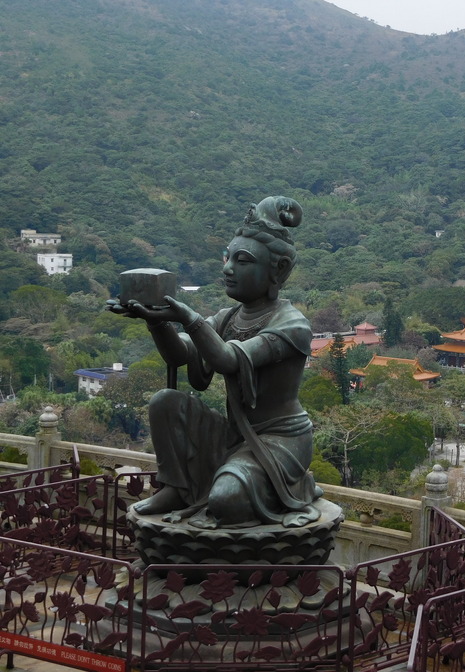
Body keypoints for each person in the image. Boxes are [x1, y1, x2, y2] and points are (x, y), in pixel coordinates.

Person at [108, 196, 319, 529]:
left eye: (242, 261)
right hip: (235, 435)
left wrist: (188, 317)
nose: (228, 269)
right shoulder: (227, 317)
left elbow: (228, 359)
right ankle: (176, 488)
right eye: (227, 257)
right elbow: (181, 354)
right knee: (165, 401)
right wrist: (156, 321)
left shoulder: (292, 324)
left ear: (277, 270)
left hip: (280, 441)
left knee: (225, 500)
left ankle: (256, 486)